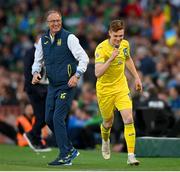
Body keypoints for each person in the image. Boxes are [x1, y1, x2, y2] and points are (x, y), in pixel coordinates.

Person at [31, 10, 89, 166]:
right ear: (47, 23)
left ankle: (65, 155)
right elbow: (38, 61)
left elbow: (84, 58)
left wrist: (76, 75)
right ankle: (70, 149)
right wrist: (35, 73)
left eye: (58, 20)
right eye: (52, 21)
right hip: (52, 85)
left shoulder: (69, 38)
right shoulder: (43, 40)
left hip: (67, 85)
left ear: (61, 21)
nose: (56, 23)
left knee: (57, 118)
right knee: (48, 119)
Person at [95, 20, 142, 165]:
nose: (118, 39)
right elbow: (97, 73)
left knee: (128, 119)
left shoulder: (125, 45)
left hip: (121, 88)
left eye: (121, 36)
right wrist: (110, 59)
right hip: (105, 91)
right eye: (116, 36)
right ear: (109, 33)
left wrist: (136, 77)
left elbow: (128, 59)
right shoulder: (101, 48)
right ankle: (105, 140)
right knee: (108, 122)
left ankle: (131, 156)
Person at [23, 34, 51, 152]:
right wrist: (36, 88)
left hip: (45, 88)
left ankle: (36, 137)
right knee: (42, 116)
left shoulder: (47, 52)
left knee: (46, 116)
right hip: (35, 89)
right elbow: (27, 73)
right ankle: (33, 135)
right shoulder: (31, 52)